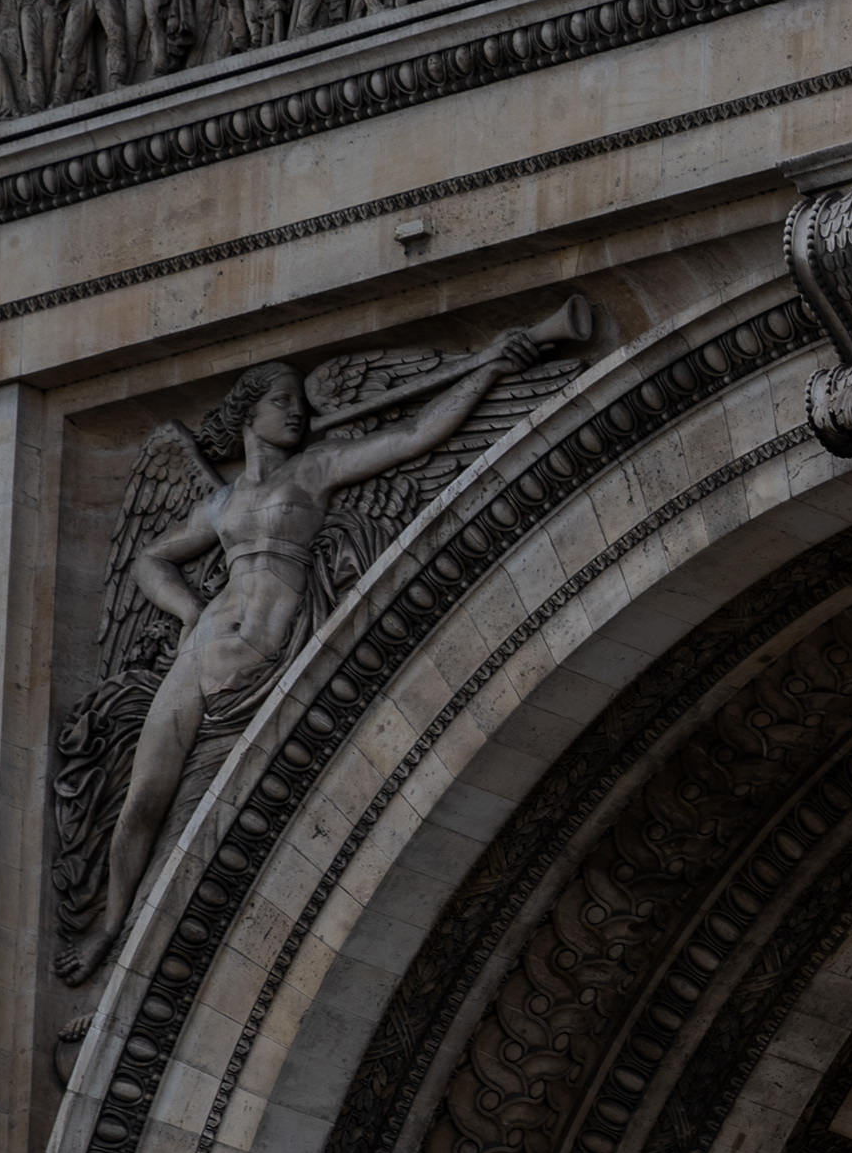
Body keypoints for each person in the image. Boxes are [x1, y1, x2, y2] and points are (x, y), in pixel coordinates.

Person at [95, 328, 565, 945]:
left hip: (264, 657)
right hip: (200, 655)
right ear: (247, 414)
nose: (298, 411)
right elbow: (151, 558)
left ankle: (143, 940)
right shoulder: (220, 503)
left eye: (300, 401)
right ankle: (108, 933)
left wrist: (485, 367)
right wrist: (186, 611)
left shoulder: (315, 468)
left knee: (198, 817)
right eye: (282, 400)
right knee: (142, 802)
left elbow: (416, 435)